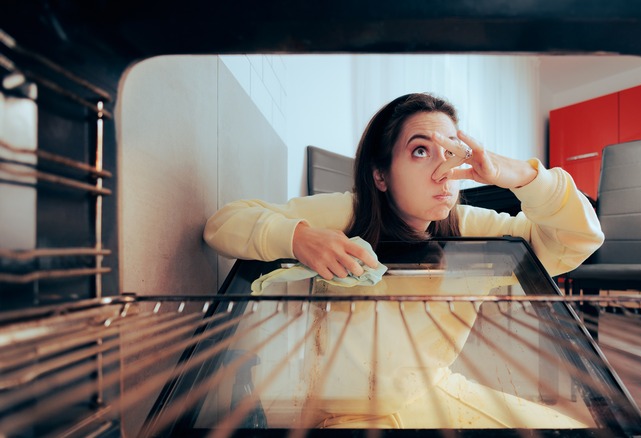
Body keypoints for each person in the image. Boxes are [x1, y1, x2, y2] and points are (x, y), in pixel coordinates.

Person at [203, 92, 604, 429]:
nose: (442, 168)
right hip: (347, 412)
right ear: (381, 175)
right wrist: (300, 237)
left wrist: (521, 175)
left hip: (433, 389)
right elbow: (223, 223)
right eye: (419, 151)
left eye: (450, 151)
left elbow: (576, 240)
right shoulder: (348, 213)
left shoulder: (470, 226)